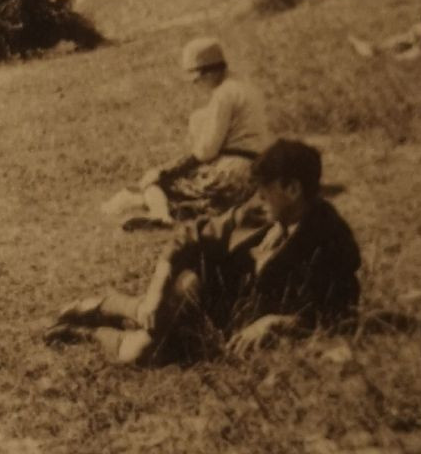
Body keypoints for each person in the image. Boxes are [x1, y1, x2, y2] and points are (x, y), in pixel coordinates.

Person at [55, 139, 361, 366]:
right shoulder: (262, 212)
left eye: (265, 189)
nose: (259, 197)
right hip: (199, 287)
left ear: (292, 189)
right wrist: (155, 292)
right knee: (147, 340)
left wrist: (277, 321)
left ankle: (89, 332)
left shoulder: (333, 239)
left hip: (223, 319)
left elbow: (338, 309)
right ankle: (102, 309)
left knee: (149, 349)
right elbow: (190, 236)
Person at [108, 36, 269, 230]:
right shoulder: (246, 87)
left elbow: (206, 151)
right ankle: (190, 212)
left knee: (155, 185)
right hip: (254, 175)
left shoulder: (223, 95)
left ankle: (161, 218)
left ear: (209, 73)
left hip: (229, 171)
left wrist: (165, 171)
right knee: (200, 202)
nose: (196, 85)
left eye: (197, 79)